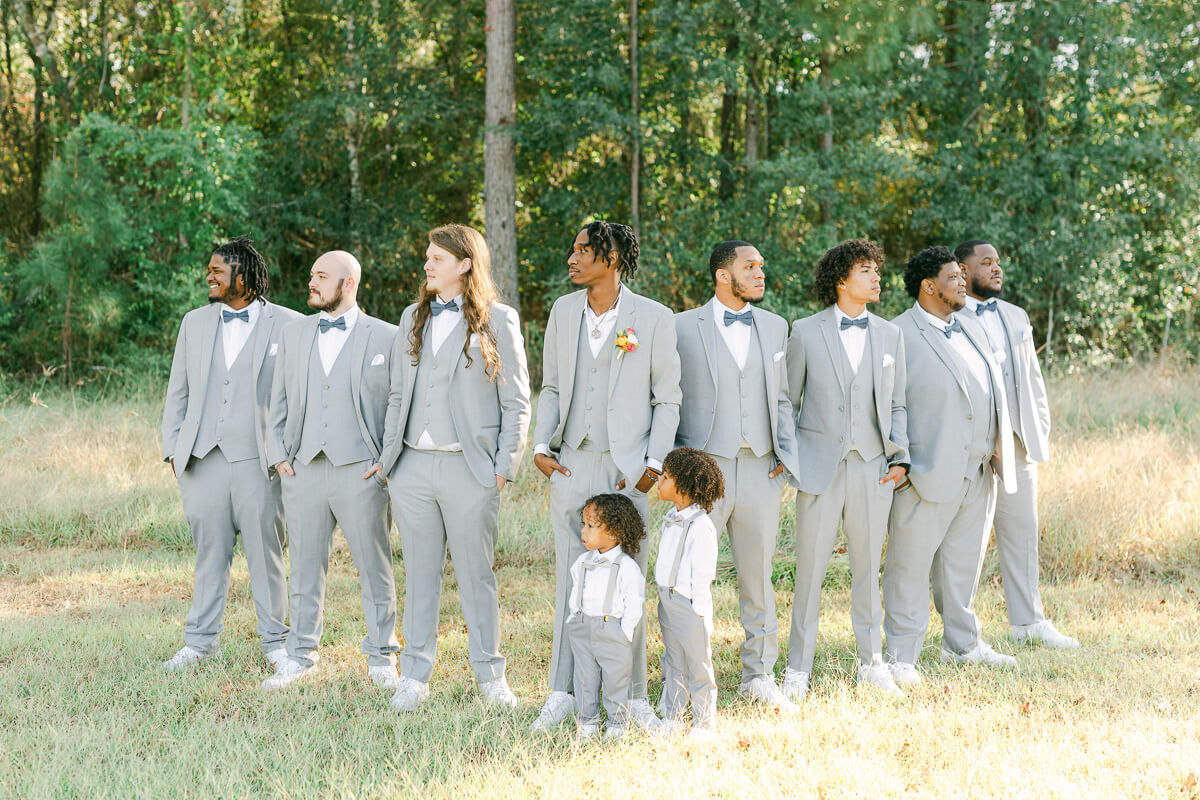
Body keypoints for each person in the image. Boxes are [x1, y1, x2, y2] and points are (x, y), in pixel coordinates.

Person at [372, 224, 531, 711]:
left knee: (476, 575)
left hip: (471, 470)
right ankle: (415, 676)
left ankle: (490, 676)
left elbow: (518, 401)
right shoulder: (410, 316)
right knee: (419, 575)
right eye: (427, 257)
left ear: (464, 263)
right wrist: (387, 461)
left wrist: (503, 466)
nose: (427, 265)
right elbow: (399, 392)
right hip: (412, 469)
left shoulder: (499, 321)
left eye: (436, 258)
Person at [531, 220, 682, 731]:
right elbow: (551, 387)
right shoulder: (562, 311)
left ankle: (634, 696)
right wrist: (540, 446)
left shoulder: (654, 319)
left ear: (611, 258)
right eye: (571, 249)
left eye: (583, 251)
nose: (572, 259)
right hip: (572, 462)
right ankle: (563, 692)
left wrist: (653, 465)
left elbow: (668, 399)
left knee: (629, 581)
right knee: (569, 584)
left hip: (627, 472)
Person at [261, 250, 401, 689]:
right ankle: (300, 655)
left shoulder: (387, 336)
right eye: (311, 275)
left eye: (321, 276)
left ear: (349, 284)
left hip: (361, 470)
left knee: (374, 566)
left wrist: (386, 461)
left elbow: (399, 402)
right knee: (303, 566)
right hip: (301, 469)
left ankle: (382, 657)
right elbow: (276, 401)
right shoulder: (294, 333)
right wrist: (279, 456)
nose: (312, 282)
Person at [161, 236, 299, 673]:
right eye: (210, 269)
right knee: (209, 554)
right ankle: (199, 643)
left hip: (260, 462)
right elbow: (177, 390)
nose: (210, 276)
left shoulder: (290, 325)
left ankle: (276, 643)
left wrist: (287, 453)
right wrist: (173, 451)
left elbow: (301, 395)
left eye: (218, 270)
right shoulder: (193, 323)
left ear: (243, 276)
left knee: (267, 553)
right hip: (202, 460)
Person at [881, 247, 1017, 685]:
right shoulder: (896, 334)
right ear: (928, 285)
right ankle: (902, 656)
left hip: (978, 471)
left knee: (962, 567)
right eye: (953, 276)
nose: (963, 281)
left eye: (963, 274)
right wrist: (900, 462)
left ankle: (962, 644)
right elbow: (887, 405)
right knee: (909, 567)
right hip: (925, 473)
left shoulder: (972, 327)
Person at [673, 240, 798, 709]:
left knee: (758, 576)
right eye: (751, 267)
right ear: (724, 275)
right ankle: (687, 676)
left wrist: (786, 455)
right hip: (704, 468)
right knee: (692, 578)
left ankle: (759, 676)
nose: (761, 273)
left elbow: (781, 398)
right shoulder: (683, 326)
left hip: (763, 469)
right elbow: (668, 394)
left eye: (762, 266)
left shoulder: (774, 325)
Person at [783, 239, 910, 699]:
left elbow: (897, 404)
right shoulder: (805, 331)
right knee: (810, 570)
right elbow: (787, 401)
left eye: (878, 270)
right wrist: (789, 458)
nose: (877, 277)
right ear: (841, 278)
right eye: (866, 270)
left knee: (866, 570)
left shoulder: (890, 335)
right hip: (818, 468)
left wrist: (901, 459)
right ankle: (798, 668)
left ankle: (872, 662)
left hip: (874, 468)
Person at [956, 239, 1077, 650]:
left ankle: (1028, 622)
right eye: (985, 262)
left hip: (1018, 440)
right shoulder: (949, 317)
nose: (995, 269)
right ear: (962, 268)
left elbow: (1033, 378)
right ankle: (960, 633)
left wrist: (1037, 430)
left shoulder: (1015, 314)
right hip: (970, 443)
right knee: (964, 539)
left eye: (998, 263)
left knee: (1023, 532)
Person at [654, 447, 724, 735]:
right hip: (666, 599)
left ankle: (703, 722)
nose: (659, 481)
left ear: (682, 485)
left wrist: (697, 610)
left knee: (697, 663)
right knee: (673, 660)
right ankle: (672, 716)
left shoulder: (701, 526)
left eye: (666, 477)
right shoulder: (671, 517)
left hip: (688, 604)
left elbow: (703, 573)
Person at [566, 493, 648, 740]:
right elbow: (575, 589)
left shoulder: (626, 567)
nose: (584, 531)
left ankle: (617, 723)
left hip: (612, 630)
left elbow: (634, 602)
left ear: (612, 533)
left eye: (591, 526)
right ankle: (588, 721)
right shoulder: (582, 562)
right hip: (582, 626)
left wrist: (624, 632)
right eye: (584, 524)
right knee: (584, 678)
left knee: (615, 680)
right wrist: (574, 616)